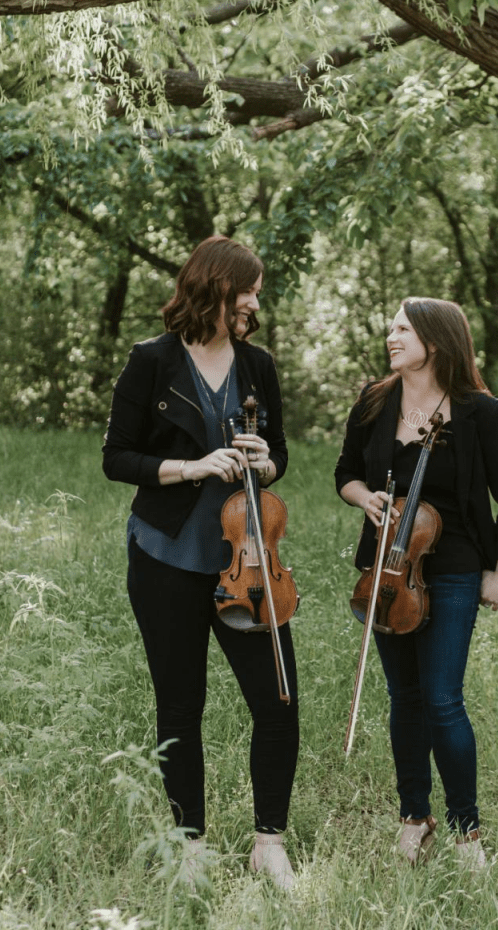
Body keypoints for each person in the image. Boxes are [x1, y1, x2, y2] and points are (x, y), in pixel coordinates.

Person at [102, 236, 299, 891]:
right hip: (164, 556)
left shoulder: (258, 364)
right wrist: (192, 465)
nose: (255, 302)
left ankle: (269, 843)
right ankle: (190, 847)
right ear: (217, 286)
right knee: (180, 704)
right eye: (250, 289)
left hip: (247, 561)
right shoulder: (151, 361)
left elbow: (281, 458)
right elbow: (117, 457)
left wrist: (260, 458)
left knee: (277, 698)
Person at [334, 297, 498, 870]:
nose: (391, 336)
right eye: (391, 328)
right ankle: (413, 819)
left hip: (452, 569)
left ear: (436, 342)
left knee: (443, 701)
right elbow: (345, 471)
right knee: (404, 698)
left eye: (402, 329)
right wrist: (363, 496)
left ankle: (467, 834)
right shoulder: (375, 400)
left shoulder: (479, 412)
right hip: (387, 569)